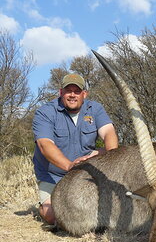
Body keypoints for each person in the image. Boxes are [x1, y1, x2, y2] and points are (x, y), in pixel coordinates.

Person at [32, 73, 118, 225]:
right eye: (68, 90)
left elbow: (109, 132)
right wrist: (70, 166)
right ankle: (43, 207)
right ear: (61, 92)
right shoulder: (45, 112)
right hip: (53, 175)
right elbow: (45, 145)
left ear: (84, 94)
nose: (72, 95)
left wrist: (112, 160)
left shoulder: (95, 109)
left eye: (77, 91)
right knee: (52, 215)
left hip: (84, 172)